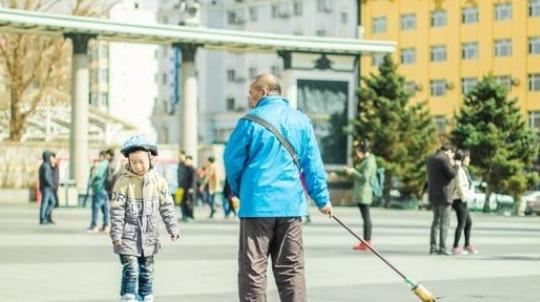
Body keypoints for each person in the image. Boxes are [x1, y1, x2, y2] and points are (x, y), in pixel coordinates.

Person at [224, 73, 333, 302]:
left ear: (264, 91)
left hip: (257, 205)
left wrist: (239, 190)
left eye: (251, 92)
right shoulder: (301, 121)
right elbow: (313, 163)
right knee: (291, 268)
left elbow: (232, 161)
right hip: (290, 206)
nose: (249, 97)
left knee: (253, 269)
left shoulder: (249, 122)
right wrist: (322, 199)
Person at [110, 135, 179, 302]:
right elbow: (116, 212)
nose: (138, 166)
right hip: (128, 236)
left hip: (149, 236)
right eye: (134, 162)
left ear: (150, 158)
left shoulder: (160, 183)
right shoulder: (123, 183)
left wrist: (173, 228)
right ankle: (128, 297)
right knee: (131, 269)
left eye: (141, 161)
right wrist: (116, 235)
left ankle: (146, 297)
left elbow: (167, 208)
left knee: (147, 271)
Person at [345, 140, 377, 251]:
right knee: (365, 217)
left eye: (358, 150)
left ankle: (367, 241)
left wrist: (353, 172)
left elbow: (365, 177)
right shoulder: (367, 160)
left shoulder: (369, 161)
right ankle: (365, 241)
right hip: (363, 193)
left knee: (366, 217)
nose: (357, 153)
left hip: (365, 193)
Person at [426, 145, 458, 255]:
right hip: (445, 195)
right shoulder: (444, 159)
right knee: (445, 223)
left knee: (436, 221)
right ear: (448, 151)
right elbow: (452, 174)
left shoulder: (431, 159)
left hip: (433, 194)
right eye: (451, 153)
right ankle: (443, 247)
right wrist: (456, 165)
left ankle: (433, 246)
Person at [451, 150, 478, 255]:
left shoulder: (464, 169)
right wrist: (463, 197)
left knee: (468, 223)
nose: (469, 159)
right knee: (462, 223)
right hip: (459, 200)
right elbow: (459, 184)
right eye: (468, 157)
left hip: (463, 199)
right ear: (462, 159)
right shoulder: (459, 170)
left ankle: (467, 245)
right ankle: (455, 247)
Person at [87, 150, 110, 233]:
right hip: (105, 189)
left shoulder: (103, 164)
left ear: (102, 156)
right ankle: (106, 225)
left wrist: (95, 167)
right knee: (105, 209)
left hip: (98, 188)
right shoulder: (108, 164)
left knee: (95, 208)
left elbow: (97, 175)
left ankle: (94, 225)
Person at [38, 150, 57, 225]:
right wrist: (51, 184)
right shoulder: (45, 166)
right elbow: (46, 177)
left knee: (52, 202)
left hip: (48, 187)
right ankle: (43, 217)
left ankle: (46, 216)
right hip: (46, 187)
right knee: (45, 202)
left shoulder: (47, 165)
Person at [180, 155, 197, 221]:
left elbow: (193, 180)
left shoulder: (192, 169)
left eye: (187, 160)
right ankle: (185, 215)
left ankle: (190, 215)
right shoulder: (186, 168)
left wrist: (191, 188)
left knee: (190, 203)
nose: (186, 162)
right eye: (186, 160)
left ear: (191, 161)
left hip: (190, 189)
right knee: (184, 202)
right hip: (185, 188)